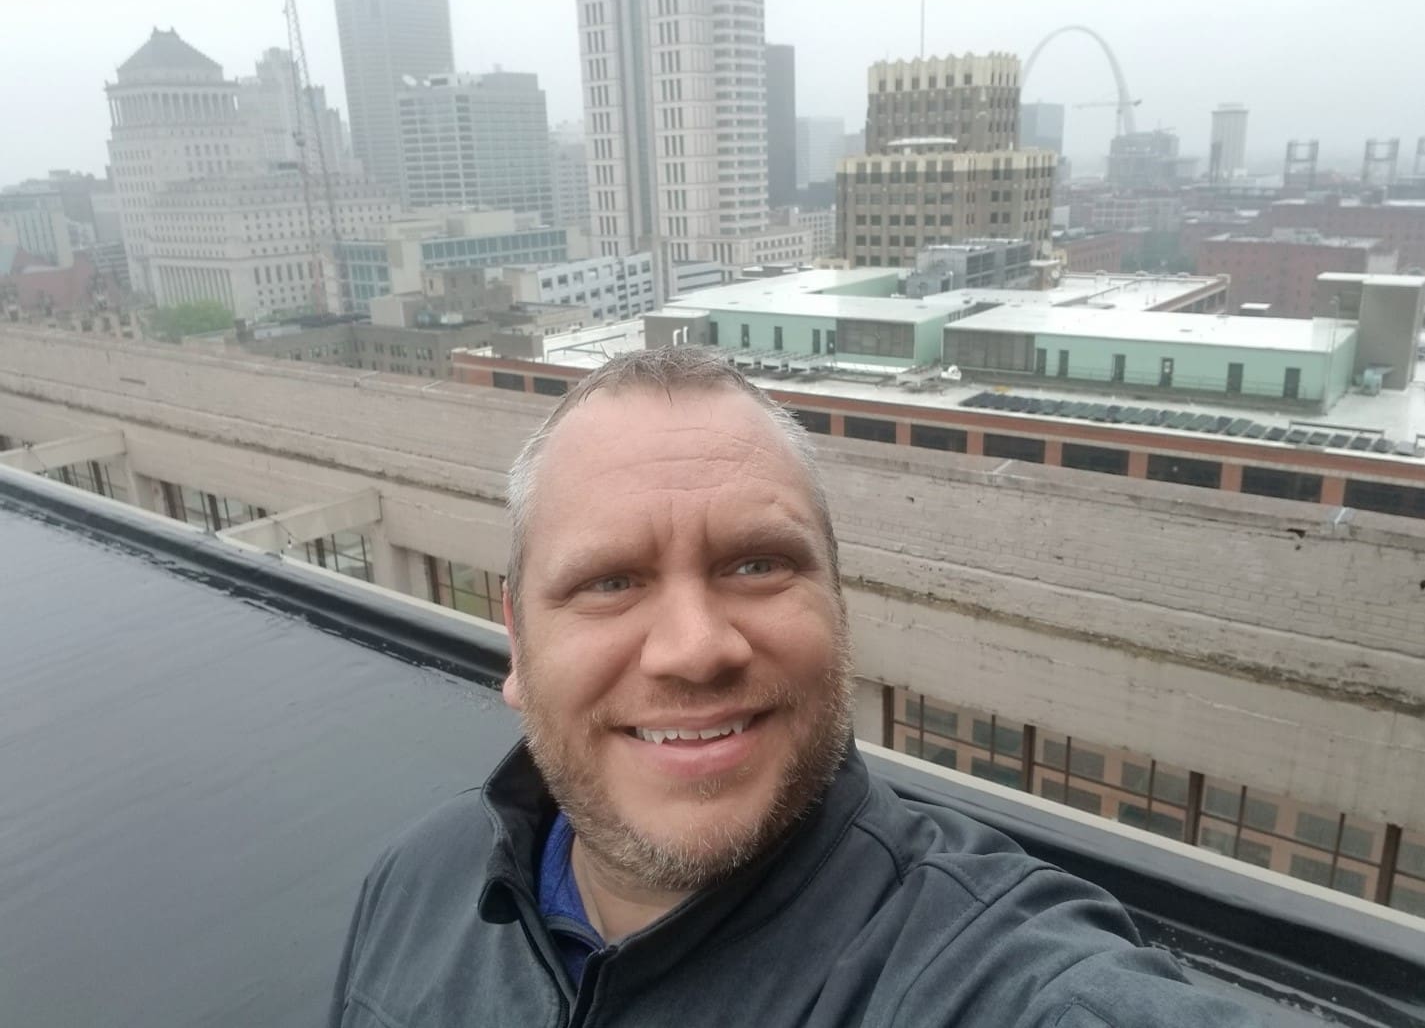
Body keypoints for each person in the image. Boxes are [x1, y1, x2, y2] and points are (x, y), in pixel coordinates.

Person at [328, 347, 1258, 1027]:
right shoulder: (417, 882)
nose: (695, 649)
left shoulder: (980, 975)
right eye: (609, 581)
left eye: (757, 565)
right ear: (518, 642)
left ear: (838, 610)